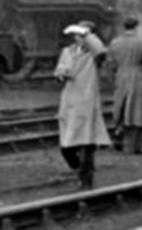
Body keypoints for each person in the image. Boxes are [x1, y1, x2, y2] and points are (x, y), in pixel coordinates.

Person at [54, 20, 111, 190]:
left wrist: (88, 35)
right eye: (77, 35)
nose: (79, 38)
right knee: (67, 146)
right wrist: (61, 74)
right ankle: (79, 170)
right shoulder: (67, 51)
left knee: (87, 144)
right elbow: (59, 69)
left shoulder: (94, 54)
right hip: (70, 101)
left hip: (86, 102)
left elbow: (101, 51)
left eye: (82, 35)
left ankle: (86, 181)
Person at [107, 16, 142, 154]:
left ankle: (118, 135)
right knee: (137, 111)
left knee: (121, 108)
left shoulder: (115, 43)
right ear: (136, 28)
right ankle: (136, 146)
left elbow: (111, 63)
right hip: (138, 77)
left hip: (121, 76)